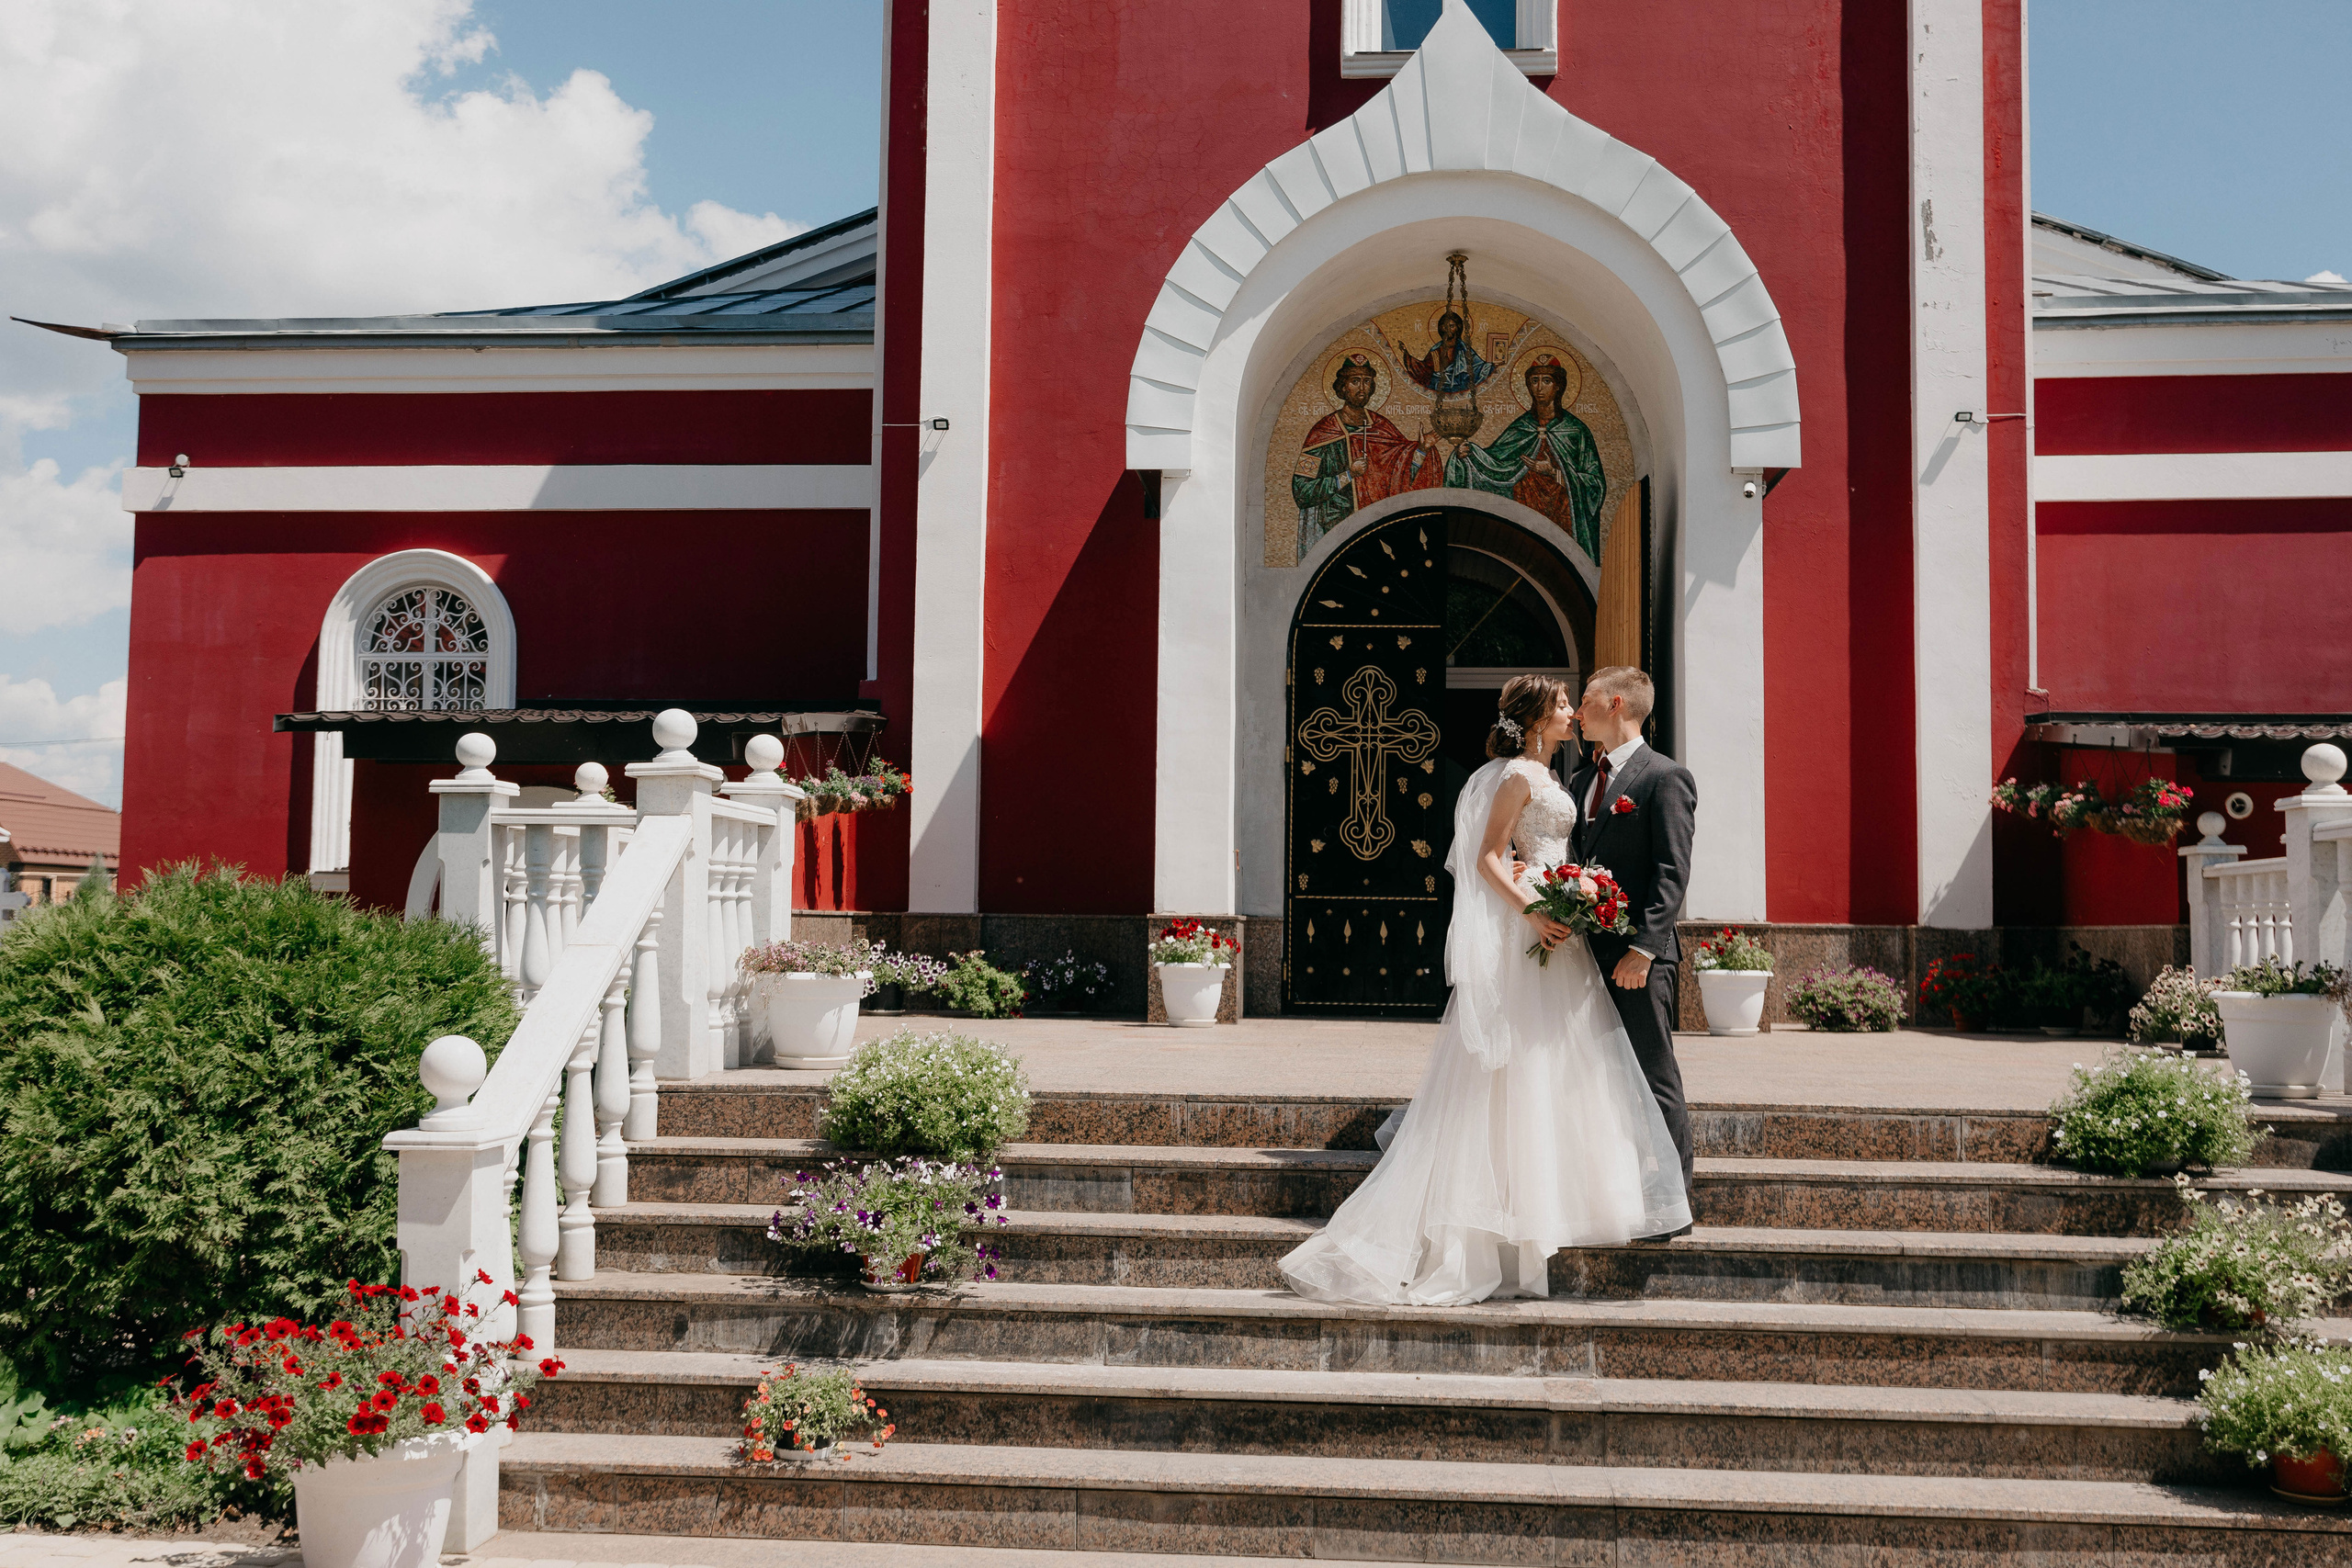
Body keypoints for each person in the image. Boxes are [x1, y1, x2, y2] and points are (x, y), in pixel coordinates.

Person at [1277, 673, 1692, 1307]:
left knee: (1573, 1068)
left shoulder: (1568, 777)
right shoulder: (1520, 775)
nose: (1571, 712)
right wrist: (1532, 905)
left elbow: (1570, 851)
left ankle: (1606, 1198)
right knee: (1526, 1067)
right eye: (1561, 704)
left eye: (1575, 702)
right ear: (1534, 719)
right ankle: (1511, 1215)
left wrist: (1573, 891)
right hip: (1539, 933)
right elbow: (1485, 855)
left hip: (1574, 942)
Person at [1562, 666, 1698, 1211]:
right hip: (1583, 956)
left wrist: (1643, 948)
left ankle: (1675, 1201)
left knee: (1654, 1074)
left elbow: (1672, 870)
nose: (1577, 711)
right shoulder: (1579, 781)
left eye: (1586, 700)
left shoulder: (1665, 777)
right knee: (1593, 1075)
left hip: (1639, 960)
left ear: (1616, 703)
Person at [1446, 355, 1607, 561]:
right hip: (1523, 521)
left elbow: (1596, 486)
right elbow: (1496, 463)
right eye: (1534, 381)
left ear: (1558, 386)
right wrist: (1466, 457)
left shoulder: (1576, 432)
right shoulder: (1521, 427)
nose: (1539, 387)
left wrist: (1555, 473)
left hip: (1565, 522)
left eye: (1547, 381)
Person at [1291, 352, 1440, 556]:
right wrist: (1347, 475)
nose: (1362, 388)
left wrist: (1421, 450)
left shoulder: (1382, 427)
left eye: (1367, 382)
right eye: (1355, 381)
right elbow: (1302, 491)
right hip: (1338, 530)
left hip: (1380, 528)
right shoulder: (1323, 433)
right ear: (1342, 387)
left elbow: (1401, 478)